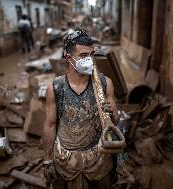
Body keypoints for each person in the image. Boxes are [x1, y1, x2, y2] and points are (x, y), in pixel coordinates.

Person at [42, 29, 118, 189]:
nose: (90, 60)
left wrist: (110, 113)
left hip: (98, 157)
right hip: (65, 159)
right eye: (83, 56)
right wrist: (47, 159)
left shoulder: (105, 84)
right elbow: (50, 125)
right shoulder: (56, 87)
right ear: (67, 57)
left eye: (92, 55)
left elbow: (114, 125)